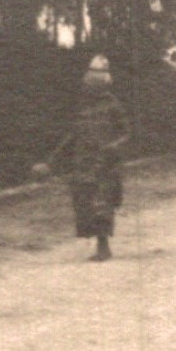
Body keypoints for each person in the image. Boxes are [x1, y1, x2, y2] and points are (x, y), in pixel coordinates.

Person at [39, 54, 130, 261]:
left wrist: (113, 148)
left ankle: (103, 246)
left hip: (105, 162)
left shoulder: (113, 106)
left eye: (98, 83)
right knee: (85, 200)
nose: (93, 87)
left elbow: (126, 133)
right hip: (83, 160)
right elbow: (72, 135)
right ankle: (98, 243)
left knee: (102, 202)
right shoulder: (83, 106)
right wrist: (52, 161)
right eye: (91, 82)